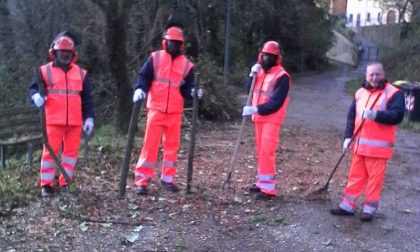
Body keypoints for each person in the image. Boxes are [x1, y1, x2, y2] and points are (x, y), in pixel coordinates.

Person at [132, 26, 202, 196]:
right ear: (165, 42)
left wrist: (194, 92)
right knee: (150, 146)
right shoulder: (155, 58)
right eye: (172, 42)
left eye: (177, 43)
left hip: (175, 112)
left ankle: (167, 178)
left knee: (172, 147)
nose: (174, 45)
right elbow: (144, 77)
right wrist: (139, 89)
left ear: (181, 45)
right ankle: (142, 181)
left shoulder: (187, 65)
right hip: (156, 109)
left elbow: (187, 88)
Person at [330, 62, 404, 221]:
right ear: (366, 76)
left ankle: (368, 210)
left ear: (383, 74)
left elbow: (397, 116)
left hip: (378, 150)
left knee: (374, 180)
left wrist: (376, 115)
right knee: (355, 177)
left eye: (377, 74)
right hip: (359, 146)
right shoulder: (359, 93)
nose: (374, 77)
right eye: (371, 74)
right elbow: (351, 116)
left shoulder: (394, 93)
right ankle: (347, 206)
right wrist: (347, 137)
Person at [29, 32, 95, 197]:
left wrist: (89, 117)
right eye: (62, 52)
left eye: (68, 53)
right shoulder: (44, 71)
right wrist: (35, 96)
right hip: (53, 120)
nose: (65, 55)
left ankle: (66, 181)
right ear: (55, 53)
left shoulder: (81, 73)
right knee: (49, 153)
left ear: (73, 54)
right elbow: (33, 89)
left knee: (71, 155)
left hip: (74, 122)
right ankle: (46, 184)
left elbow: (87, 98)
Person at [242, 40, 291, 200]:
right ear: (260, 56)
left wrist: (256, 109)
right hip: (259, 119)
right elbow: (249, 89)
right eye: (265, 56)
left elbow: (276, 102)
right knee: (260, 152)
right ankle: (261, 182)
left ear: (277, 58)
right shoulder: (260, 72)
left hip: (271, 119)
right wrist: (251, 75)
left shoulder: (282, 76)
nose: (267, 59)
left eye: (270, 56)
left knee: (266, 152)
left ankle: (269, 189)